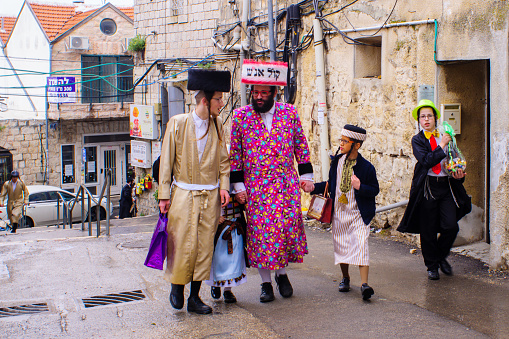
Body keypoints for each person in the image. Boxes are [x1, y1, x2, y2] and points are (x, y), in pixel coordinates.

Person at [230, 59, 314, 303]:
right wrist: (238, 187)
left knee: (284, 233)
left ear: (274, 93)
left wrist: (307, 177)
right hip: (256, 190)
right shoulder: (240, 117)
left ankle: (283, 274)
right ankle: (266, 283)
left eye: (263, 92)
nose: (257, 97)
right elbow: (235, 156)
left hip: (285, 186)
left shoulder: (289, 113)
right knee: (262, 236)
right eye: (254, 92)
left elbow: (301, 146)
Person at [158, 68, 231, 315]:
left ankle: (195, 296)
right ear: (204, 100)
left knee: (203, 246)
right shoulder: (178, 123)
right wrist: (163, 195)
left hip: (209, 196)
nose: (221, 104)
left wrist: (224, 188)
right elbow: (166, 161)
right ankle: (177, 287)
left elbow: (223, 161)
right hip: (183, 194)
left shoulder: (218, 125)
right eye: (218, 99)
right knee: (180, 242)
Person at [398, 100, 471, 280]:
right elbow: (427, 160)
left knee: (451, 226)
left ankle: (439, 257)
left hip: (446, 186)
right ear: (419, 121)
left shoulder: (445, 135)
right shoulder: (418, 140)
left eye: (429, 116)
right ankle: (432, 265)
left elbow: (454, 160)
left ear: (436, 118)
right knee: (428, 229)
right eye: (422, 117)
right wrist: (442, 146)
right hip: (428, 186)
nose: (426, 119)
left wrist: (459, 173)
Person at [310, 125, 379, 300]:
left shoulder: (367, 167)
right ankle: (345, 278)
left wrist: (360, 187)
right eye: (340, 140)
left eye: (344, 141)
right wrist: (312, 187)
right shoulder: (337, 162)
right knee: (341, 245)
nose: (341, 144)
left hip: (358, 213)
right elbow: (329, 183)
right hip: (339, 212)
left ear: (356, 145)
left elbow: (374, 190)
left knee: (361, 245)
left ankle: (364, 284)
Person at [206, 194, 247, 304]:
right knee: (218, 258)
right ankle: (215, 284)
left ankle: (228, 290)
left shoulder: (237, 183)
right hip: (219, 228)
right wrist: (215, 215)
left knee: (235, 259)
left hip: (235, 223)